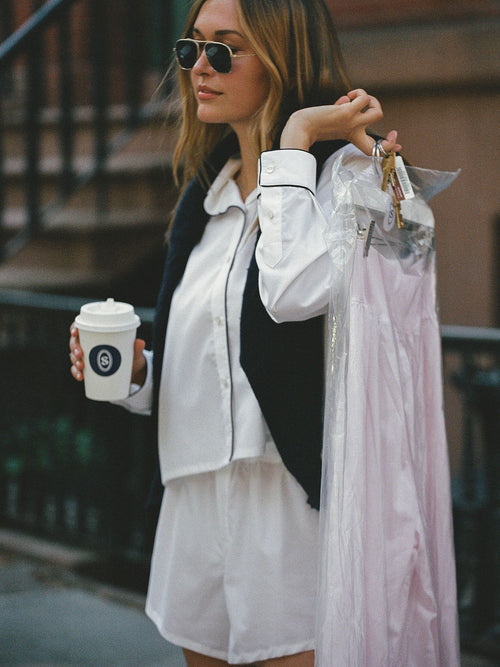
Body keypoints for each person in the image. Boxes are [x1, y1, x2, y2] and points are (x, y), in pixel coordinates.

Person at [70, 0, 401, 664]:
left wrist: (296, 139)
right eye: (190, 47)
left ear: (283, 57)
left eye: (224, 49)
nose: (200, 67)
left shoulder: (347, 179)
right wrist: (138, 376)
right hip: (196, 502)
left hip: (292, 505)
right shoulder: (206, 196)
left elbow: (291, 293)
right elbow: (214, 360)